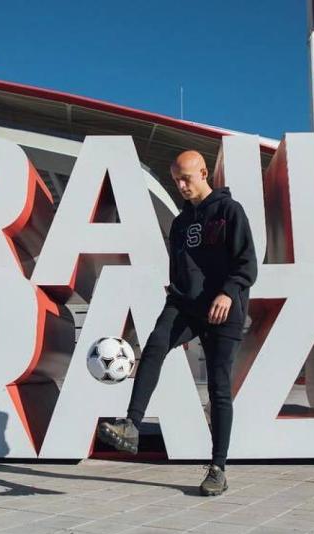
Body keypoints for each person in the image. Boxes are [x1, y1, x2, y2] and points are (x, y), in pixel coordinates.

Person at [97, 149, 257, 496]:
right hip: (185, 305)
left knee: (218, 389)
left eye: (186, 177)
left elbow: (247, 264)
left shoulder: (230, 211)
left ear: (203, 172)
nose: (181, 185)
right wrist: (176, 293)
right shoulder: (181, 223)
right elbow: (180, 268)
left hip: (223, 309)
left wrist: (228, 293)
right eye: (176, 180)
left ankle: (218, 468)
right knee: (154, 344)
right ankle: (131, 425)